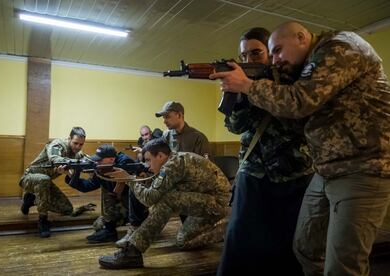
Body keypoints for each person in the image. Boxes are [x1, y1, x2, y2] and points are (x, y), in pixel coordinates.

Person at [210, 21, 390, 276]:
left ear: (302, 37)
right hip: (323, 168)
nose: (274, 60)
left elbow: (301, 103)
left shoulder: (338, 47)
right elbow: (238, 125)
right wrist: (240, 94)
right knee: (304, 248)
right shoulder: (306, 69)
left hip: (358, 167)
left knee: (343, 263)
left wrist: (250, 86)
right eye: (270, 54)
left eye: (276, 51)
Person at [216, 27, 313, 275]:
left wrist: (254, 88)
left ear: (270, 53)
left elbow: (297, 115)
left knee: (290, 244)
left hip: (293, 173)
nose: (249, 60)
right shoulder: (242, 82)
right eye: (244, 55)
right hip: (254, 172)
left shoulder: (294, 76)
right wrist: (235, 94)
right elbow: (235, 127)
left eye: (256, 53)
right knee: (239, 241)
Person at [98, 138, 231, 269]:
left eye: (149, 160)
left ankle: (133, 252)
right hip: (207, 201)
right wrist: (138, 180)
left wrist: (129, 179)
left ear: (161, 156)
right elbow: (154, 191)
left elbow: (149, 198)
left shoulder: (173, 165)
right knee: (183, 242)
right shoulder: (172, 161)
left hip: (218, 202)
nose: (148, 165)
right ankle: (223, 229)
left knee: (167, 201)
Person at [19, 126, 88, 238]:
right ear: (69, 138)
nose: (78, 147)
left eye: (81, 144)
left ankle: (30, 199)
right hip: (30, 178)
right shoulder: (58, 144)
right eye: (75, 143)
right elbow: (55, 158)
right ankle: (42, 220)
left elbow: (86, 160)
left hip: (44, 184)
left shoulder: (76, 152)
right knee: (44, 179)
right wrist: (78, 163)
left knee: (67, 209)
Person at [62, 144, 135, 243]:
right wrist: (70, 174)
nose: (96, 163)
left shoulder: (125, 163)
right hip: (117, 204)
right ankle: (110, 231)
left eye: (99, 160)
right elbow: (86, 186)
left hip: (133, 207)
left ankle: (135, 224)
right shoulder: (102, 168)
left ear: (111, 160)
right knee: (98, 225)